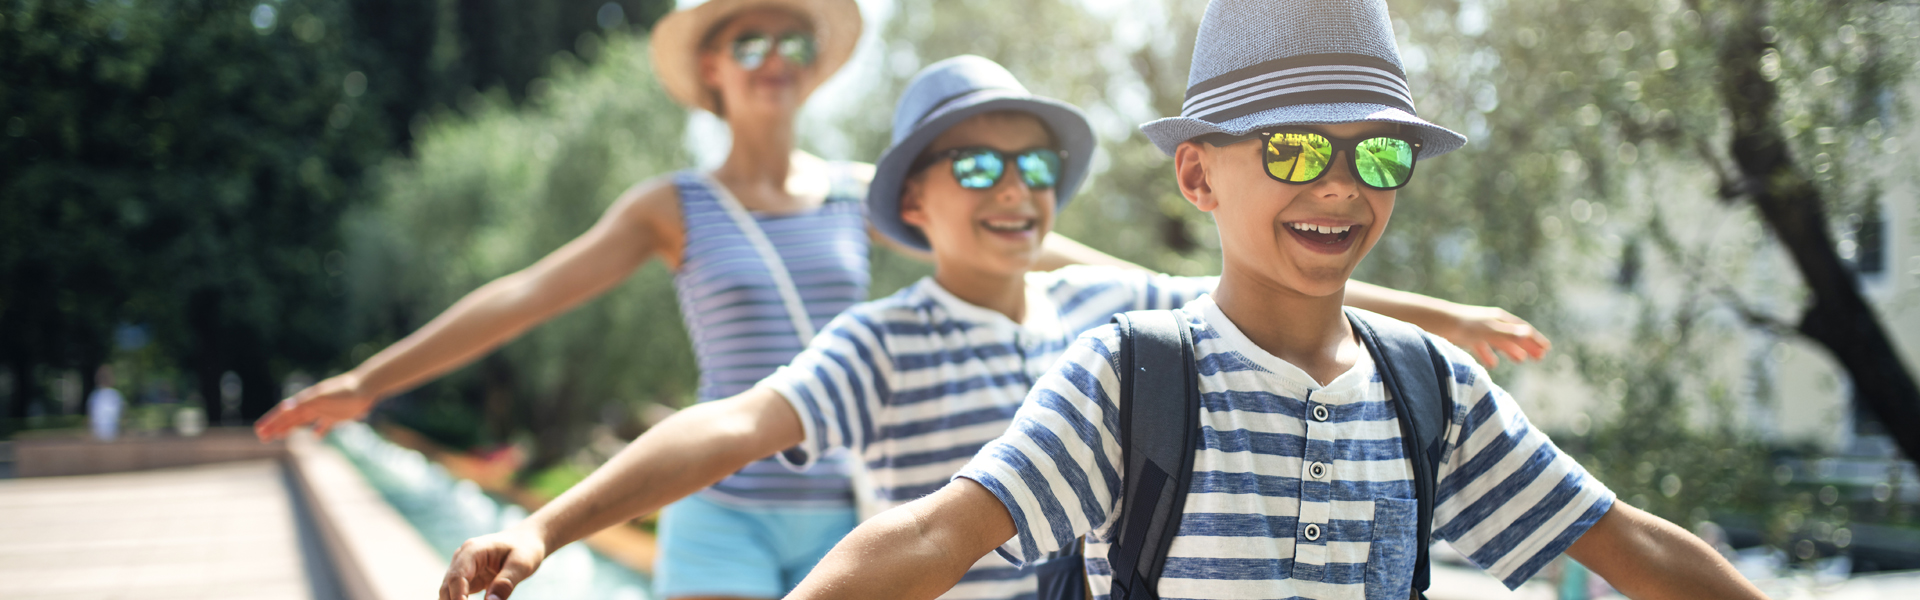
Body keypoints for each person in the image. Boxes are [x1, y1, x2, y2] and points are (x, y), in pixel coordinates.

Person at [435, 54, 1557, 600]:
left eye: (1034, 165)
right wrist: (547, 533)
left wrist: (1435, 314)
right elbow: (723, 427)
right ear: (912, 206)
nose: (1016, 186)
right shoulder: (880, 345)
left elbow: (1275, 287)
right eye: (978, 164)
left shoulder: (1113, 314)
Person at [782, 1, 1771, 599]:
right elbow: (929, 540)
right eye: (1295, 147)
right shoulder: (1130, 377)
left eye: (1379, 152)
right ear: (1200, 179)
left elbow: (1625, 542)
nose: (1342, 183)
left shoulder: (1434, 391)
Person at [87, 365, 124, 441]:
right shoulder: (95, 395)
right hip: (98, 432)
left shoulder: (115, 394)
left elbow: (120, 415)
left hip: (112, 431)